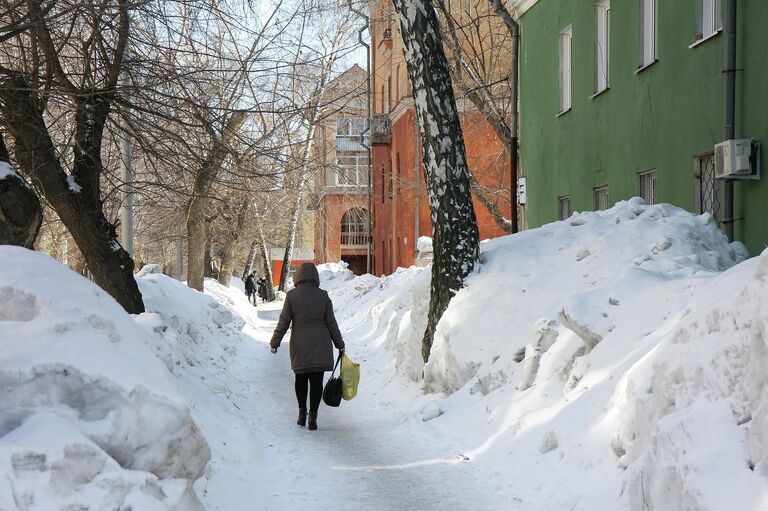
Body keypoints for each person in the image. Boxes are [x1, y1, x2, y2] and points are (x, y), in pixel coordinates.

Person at [270, 262, 345, 431]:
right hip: (321, 343)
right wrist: (340, 344)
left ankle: (302, 412)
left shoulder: (292, 296)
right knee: (316, 380)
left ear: (298, 277)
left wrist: (275, 342)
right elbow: (331, 323)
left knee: (301, 379)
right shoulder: (323, 295)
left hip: (300, 344)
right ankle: (313, 415)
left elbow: (284, 321)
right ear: (315, 277)